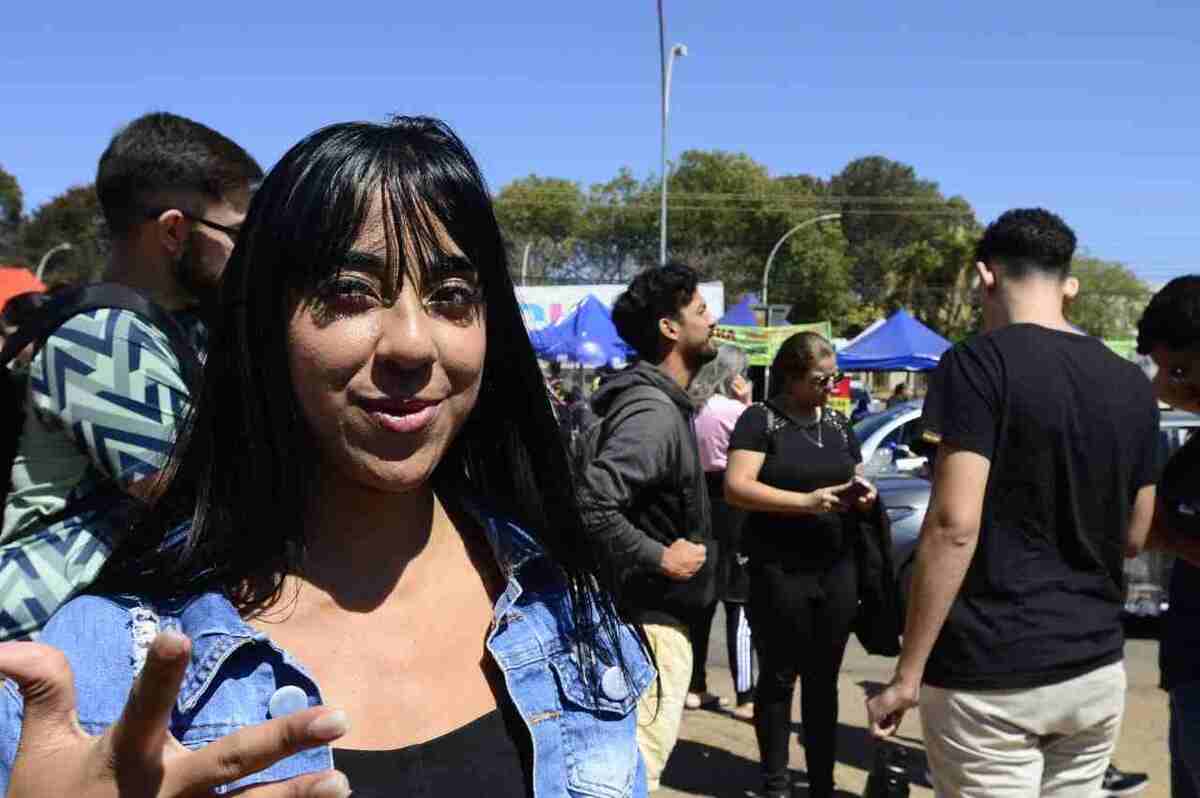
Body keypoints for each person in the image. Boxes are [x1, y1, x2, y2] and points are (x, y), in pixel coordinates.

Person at [0, 116, 653, 798]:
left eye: (452, 297)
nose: (412, 343)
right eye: (350, 292)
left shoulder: (565, 601)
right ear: (264, 329)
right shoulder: (102, 667)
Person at [867, 208, 1159, 798]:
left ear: (985, 277)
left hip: (989, 674)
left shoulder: (976, 365)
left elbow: (952, 526)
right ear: (1066, 281)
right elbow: (1136, 532)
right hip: (1095, 668)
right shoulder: (1130, 383)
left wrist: (908, 672)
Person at [0, 114, 262, 641]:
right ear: (173, 231)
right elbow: (206, 499)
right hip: (34, 648)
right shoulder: (103, 339)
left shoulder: (178, 326)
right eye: (239, 232)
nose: (250, 251)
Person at [579, 262, 718, 791]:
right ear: (670, 328)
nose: (713, 321)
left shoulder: (658, 405)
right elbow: (592, 503)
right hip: (649, 630)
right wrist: (660, 557)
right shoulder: (652, 413)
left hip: (647, 624)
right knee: (631, 778)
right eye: (701, 311)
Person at [725, 331, 877, 798]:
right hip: (779, 570)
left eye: (834, 377)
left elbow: (852, 478)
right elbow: (737, 487)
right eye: (819, 379)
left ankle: (822, 784)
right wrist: (805, 502)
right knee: (778, 676)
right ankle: (775, 783)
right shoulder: (759, 420)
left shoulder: (836, 424)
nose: (829, 387)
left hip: (834, 569)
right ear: (790, 377)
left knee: (822, 679)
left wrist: (863, 497)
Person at [1133, 275, 1200, 798]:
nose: (1164, 387)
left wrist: (1168, 539)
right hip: (1187, 669)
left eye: (1175, 369)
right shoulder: (1190, 454)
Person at [687, 345, 757, 719]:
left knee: (701, 601)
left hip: (698, 505)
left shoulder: (690, 409)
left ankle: (695, 686)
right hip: (736, 507)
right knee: (739, 603)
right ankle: (746, 695)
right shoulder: (736, 412)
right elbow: (763, 448)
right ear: (734, 376)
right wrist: (748, 403)